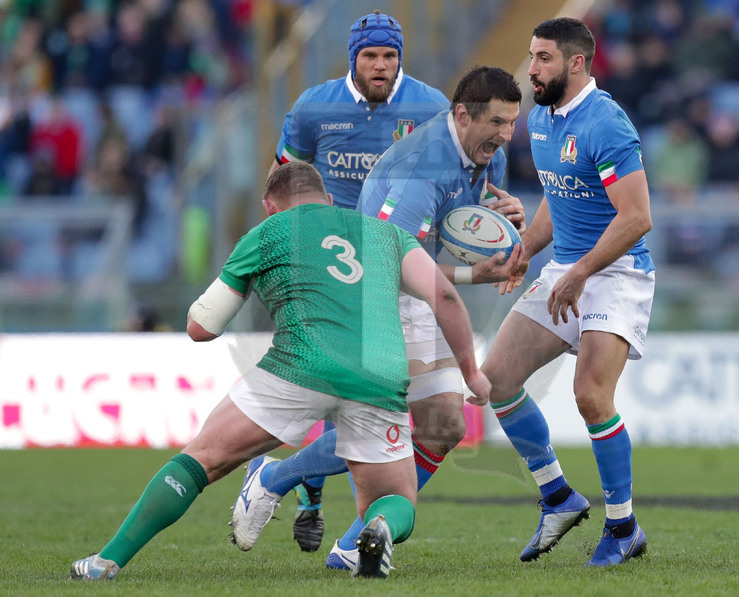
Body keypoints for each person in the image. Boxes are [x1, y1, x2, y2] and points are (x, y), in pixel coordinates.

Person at [70, 161, 491, 581]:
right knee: (396, 497)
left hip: (299, 367)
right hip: (378, 376)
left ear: (271, 208)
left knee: (201, 460)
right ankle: (379, 528)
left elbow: (202, 328)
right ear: (328, 200)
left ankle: (105, 563)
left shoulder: (267, 233)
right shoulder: (386, 234)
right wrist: (471, 373)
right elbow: (446, 299)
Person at [235, 65, 527, 570]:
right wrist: (469, 279)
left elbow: (465, 217)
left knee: (443, 425)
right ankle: (288, 492)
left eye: (511, 123)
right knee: (384, 425)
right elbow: (386, 263)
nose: (506, 136)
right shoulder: (416, 170)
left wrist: (502, 224)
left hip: (418, 289)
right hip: (376, 294)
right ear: (461, 115)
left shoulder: (484, 154)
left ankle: (340, 530)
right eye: (497, 123)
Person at [265, 10, 451, 552]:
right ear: (353, 59)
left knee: (371, 401)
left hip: (399, 268)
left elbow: (464, 179)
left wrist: (491, 207)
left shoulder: (430, 108)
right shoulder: (312, 109)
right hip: (331, 268)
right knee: (338, 394)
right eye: (370, 56)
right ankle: (313, 496)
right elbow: (284, 184)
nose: (380, 65)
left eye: (389, 56)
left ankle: (307, 492)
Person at [483, 17, 654, 567]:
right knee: (497, 380)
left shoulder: (608, 124)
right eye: (531, 56)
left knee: (590, 396)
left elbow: (637, 218)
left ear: (576, 63)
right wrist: (526, 250)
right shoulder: (539, 119)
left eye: (543, 59)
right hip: (566, 267)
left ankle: (623, 527)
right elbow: (559, 197)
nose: (531, 68)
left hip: (617, 272)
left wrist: (580, 271)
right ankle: (557, 495)